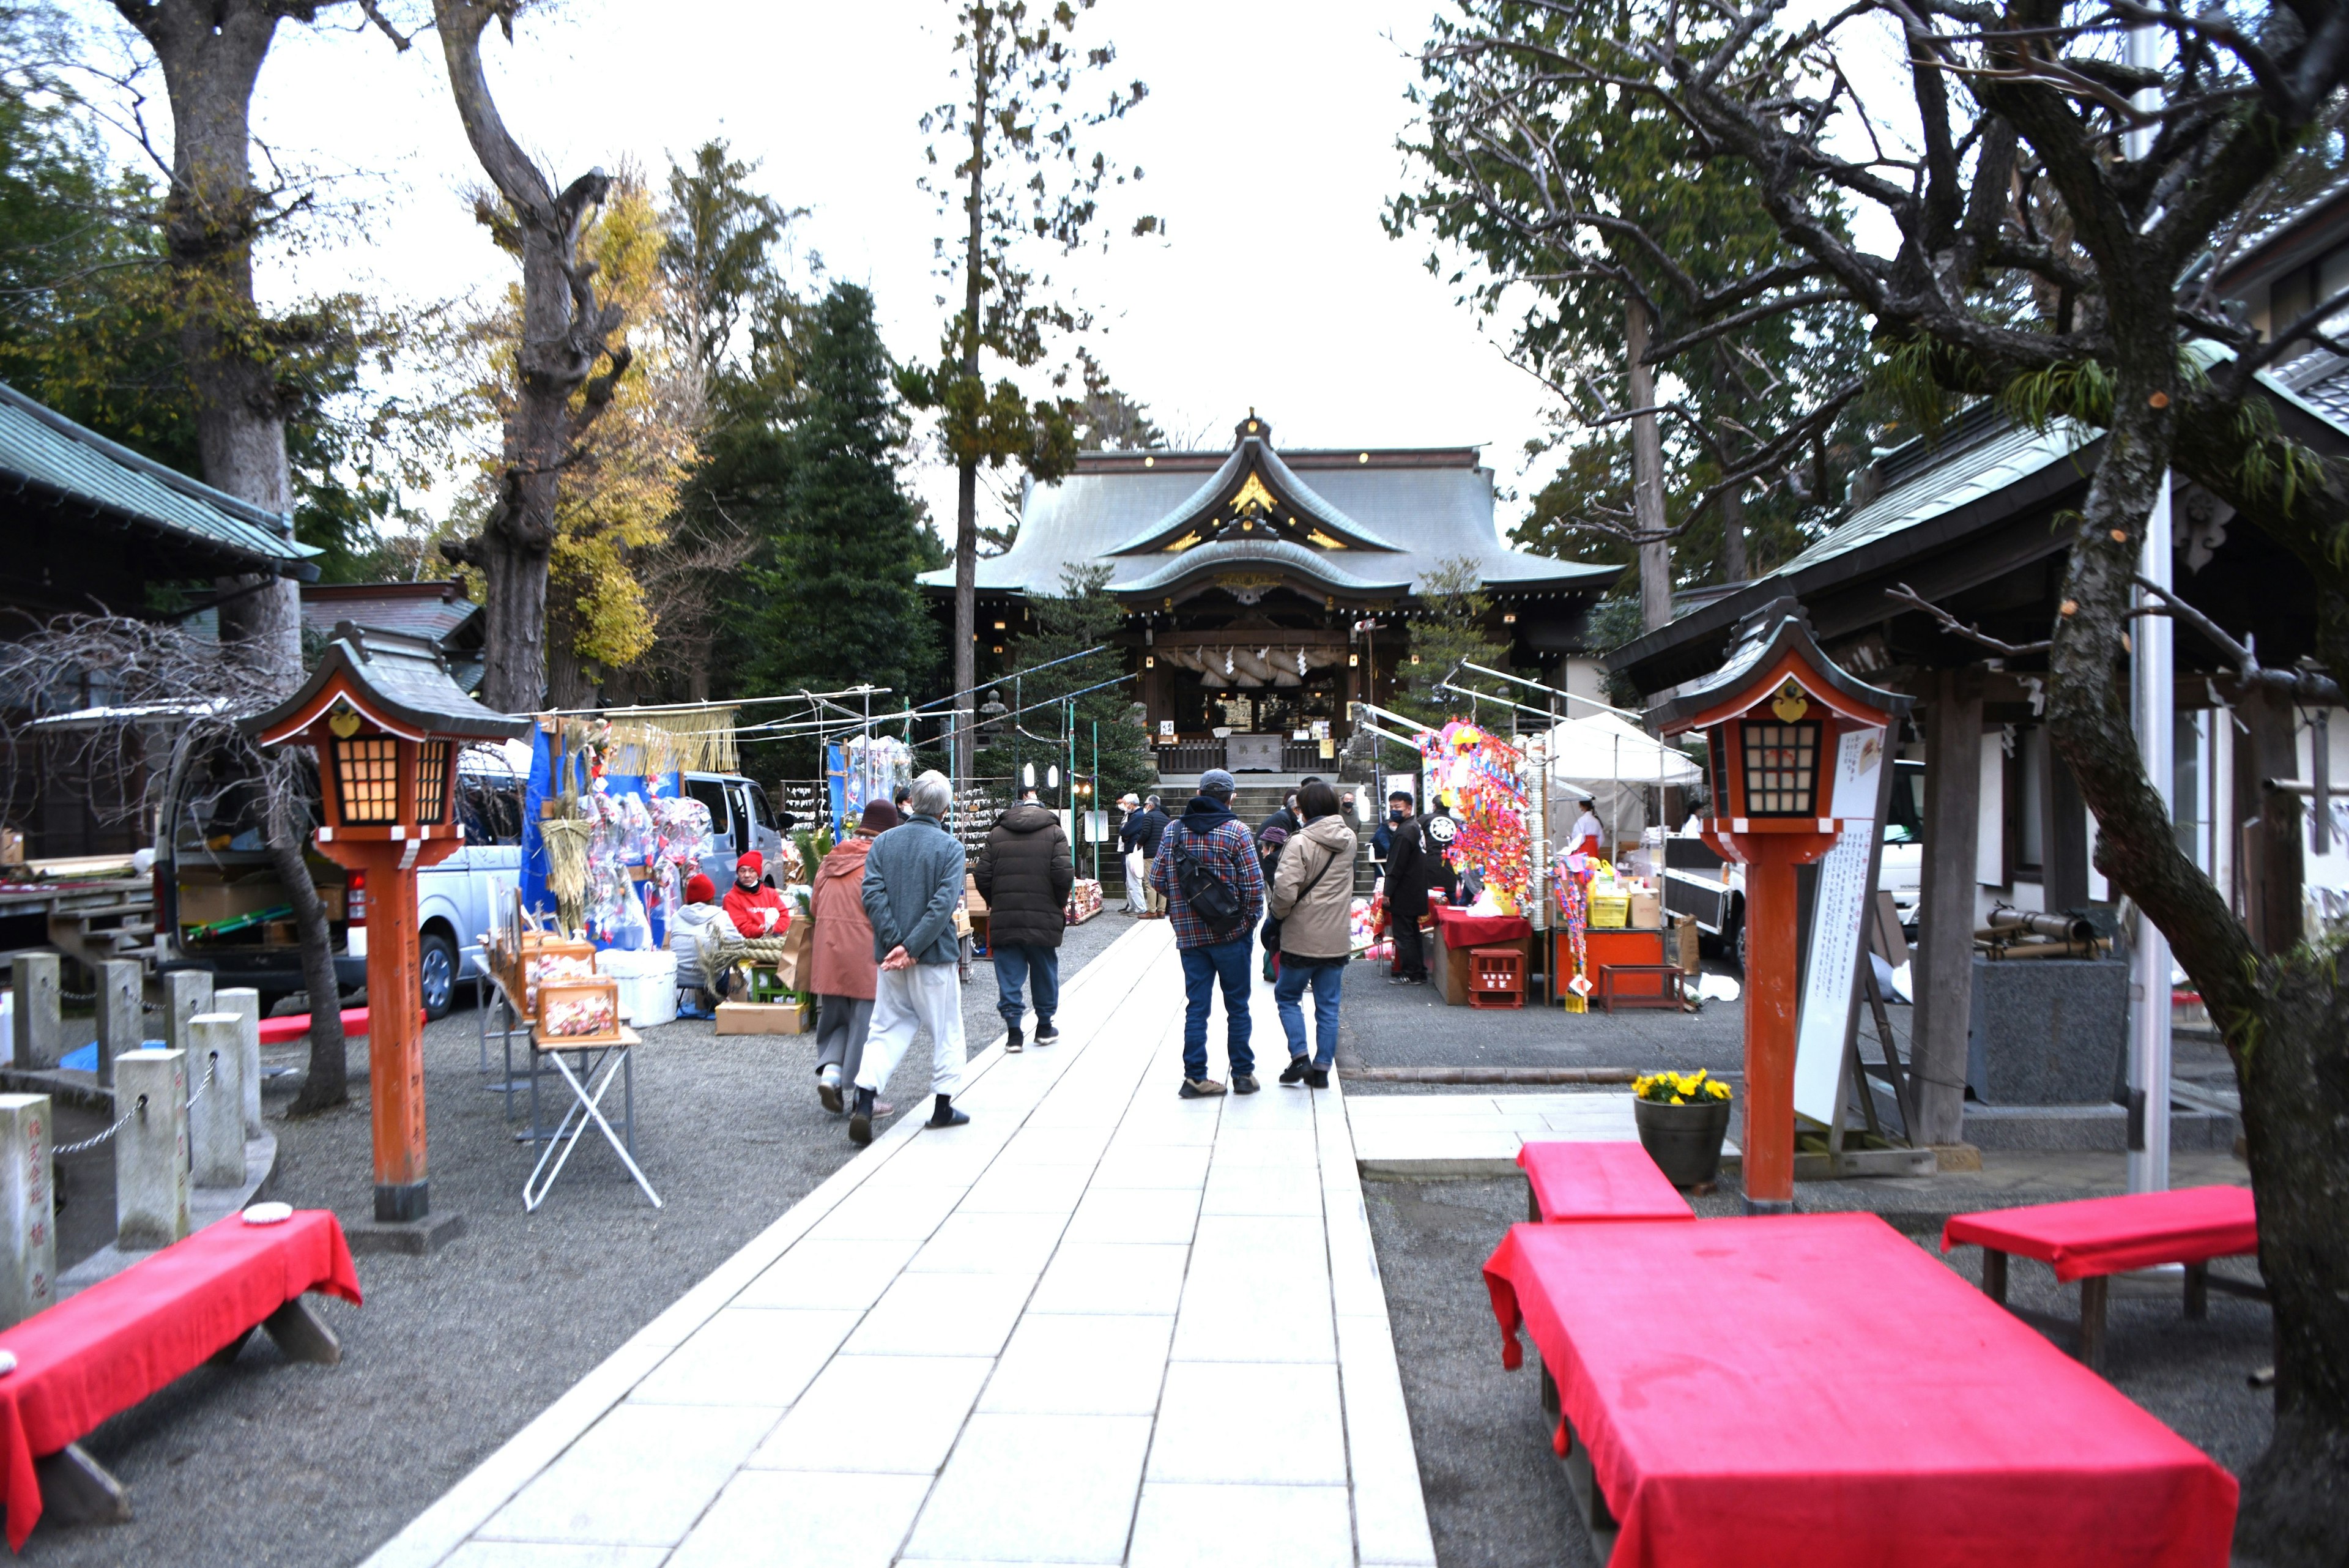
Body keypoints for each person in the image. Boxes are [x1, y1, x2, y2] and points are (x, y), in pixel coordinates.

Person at [851, 771, 971, 1145]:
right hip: (933, 956)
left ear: (912, 802)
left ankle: (866, 1100)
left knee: (885, 1027)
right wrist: (913, 947)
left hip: (891, 957)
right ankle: (942, 1106)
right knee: (946, 1030)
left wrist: (895, 944)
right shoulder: (950, 848)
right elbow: (943, 906)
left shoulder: (883, 843)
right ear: (945, 809)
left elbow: (872, 894)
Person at [1149, 768, 1266, 1098]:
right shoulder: (1237, 832)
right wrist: (1246, 924)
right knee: (1238, 1006)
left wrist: (1185, 900)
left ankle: (1195, 1078)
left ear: (1199, 793)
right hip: (1231, 936)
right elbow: (1255, 889)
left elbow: (1157, 880)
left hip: (1190, 937)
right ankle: (1243, 1075)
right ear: (1231, 797)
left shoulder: (1173, 831)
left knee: (1197, 1007)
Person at [811, 801, 896, 1114]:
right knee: (866, 1026)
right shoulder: (881, 862)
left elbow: (815, 907)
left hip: (828, 953)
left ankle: (831, 1077)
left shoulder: (832, 859)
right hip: (865, 955)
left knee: (835, 1020)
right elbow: (888, 912)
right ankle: (864, 1099)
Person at [973, 789, 1074, 1052]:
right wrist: (1058, 903)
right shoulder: (1054, 833)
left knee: (1009, 974)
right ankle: (1043, 1026)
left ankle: (1014, 1033)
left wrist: (995, 901)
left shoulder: (997, 833)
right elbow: (1063, 874)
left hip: (1006, 914)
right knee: (1044, 970)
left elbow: (982, 874)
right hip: (1043, 914)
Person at [1271, 780, 1356, 1089]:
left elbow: (1284, 890)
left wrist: (1277, 917)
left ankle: (1300, 1056)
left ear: (1304, 809)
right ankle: (1321, 1070)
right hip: (1336, 937)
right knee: (1329, 1005)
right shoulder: (1349, 838)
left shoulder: (1300, 842)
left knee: (1288, 996)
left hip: (1302, 936)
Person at [1384, 790, 1431, 985]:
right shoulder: (1414, 827)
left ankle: (1411, 973)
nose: (1394, 811)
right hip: (1416, 888)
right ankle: (1418, 971)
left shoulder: (1405, 831)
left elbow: (1396, 866)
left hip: (1404, 891)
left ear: (1409, 808)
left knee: (1404, 934)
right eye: (1392, 807)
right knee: (1413, 933)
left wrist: (1388, 892)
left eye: (1398, 807)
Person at [1255, 789, 1301, 980]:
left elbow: (1279, 892)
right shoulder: (1284, 822)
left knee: (1272, 933)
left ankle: (1276, 971)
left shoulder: (1273, 859)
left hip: (1282, 908)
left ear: (1271, 847)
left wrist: (1276, 913)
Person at [668, 872, 727, 1014]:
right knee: (727, 958)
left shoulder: (676, 917)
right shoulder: (721, 915)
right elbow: (737, 943)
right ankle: (716, 1002)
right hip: (712, 977)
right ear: (711, 897)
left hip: (679, 976)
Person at [723, 850, 789, 938]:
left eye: (751, 871)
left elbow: (785, 917)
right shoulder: (731, 898)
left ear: (758, 874)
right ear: (738, 873)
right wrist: (762, 930)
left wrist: (773, 929)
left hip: (773, 940)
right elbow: (740, 926)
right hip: (746, 946)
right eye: (742, 871)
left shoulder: (771, 894)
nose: (747, 875)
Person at [1125, 793, 1170, 917]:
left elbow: (1145, 833)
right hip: (1164, 854)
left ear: (1150, 805)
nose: (1144, 807)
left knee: (1150, 882)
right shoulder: (1166, 819)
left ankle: (1151, 911)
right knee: (1163, 881)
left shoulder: (1148, 816)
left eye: (1145, 805)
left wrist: (1139, 845)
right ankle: (1162, 910)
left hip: (1151, 853)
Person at [1117, 793, 1149, 914]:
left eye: (1125, 803)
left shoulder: (1138, 815)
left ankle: (1140, 908)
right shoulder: (1136, 815)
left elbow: (1125, 831)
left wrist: (1125, 835)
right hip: (1131, 848)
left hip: (1133, 850)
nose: (1124, 806)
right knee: (1130, 881)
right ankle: (1133, 906)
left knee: (1134, 881)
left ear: (1132, 803)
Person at [1570, 796, 1605, 861]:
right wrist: (1595, 846)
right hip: (1594, 846)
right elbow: (1602, 838)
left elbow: (1580, 837)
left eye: (1580, 806)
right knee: (1594, 867)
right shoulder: (1596, 821)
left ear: (1583, 807)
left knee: (1584, 867)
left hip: (1584, 847)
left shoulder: (1582, 820)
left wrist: (1573, 848)